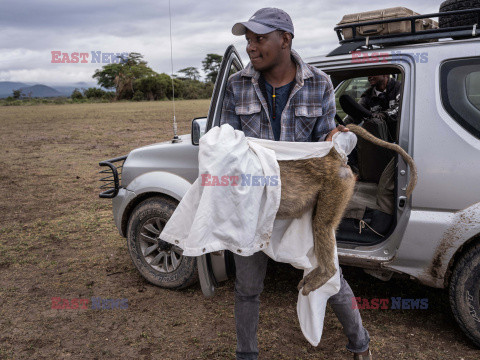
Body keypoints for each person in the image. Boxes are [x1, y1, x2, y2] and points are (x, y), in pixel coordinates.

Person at [219, 8, 372, 360]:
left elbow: (322, 143)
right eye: (248, 41)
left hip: (303, 198)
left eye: (260, 39)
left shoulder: (319, 83)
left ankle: (360, 344)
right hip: (254, 198)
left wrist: (337, 138)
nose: (251, 48)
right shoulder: (237, 85)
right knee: (247, 287)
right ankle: (247, 354)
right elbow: (228, 144)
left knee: (329, 278)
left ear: (285, 39)